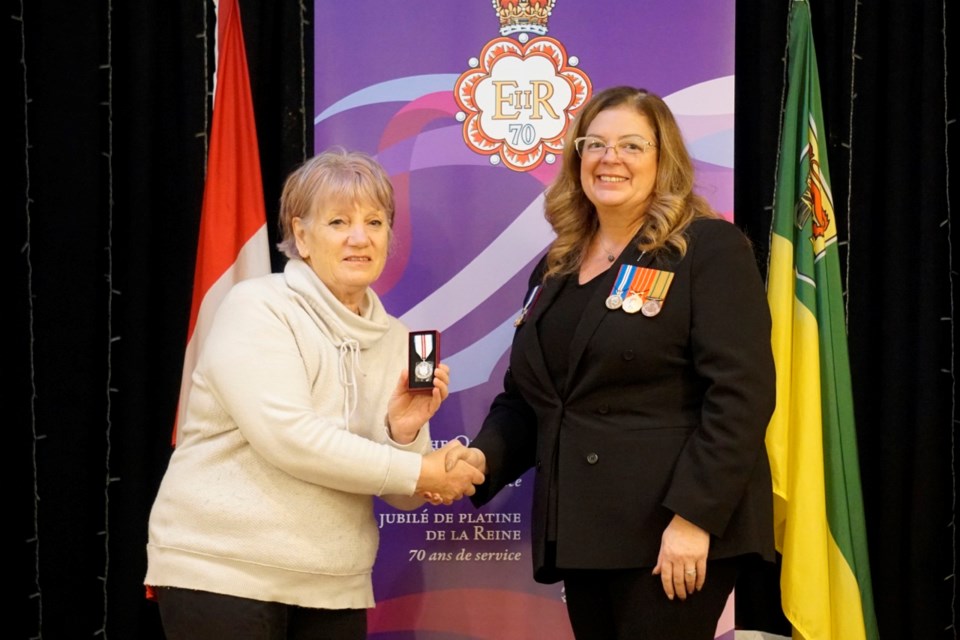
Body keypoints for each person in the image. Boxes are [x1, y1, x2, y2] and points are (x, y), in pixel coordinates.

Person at [445, 87, 777, 639]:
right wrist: (480, 459)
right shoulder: (555, 268)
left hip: (672, 529)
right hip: (585, 531)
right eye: (594, 144)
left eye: (630, 145)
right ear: (576, 159)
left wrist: (693, 519)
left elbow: (741, 397)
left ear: (662, 158)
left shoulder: (707, 250)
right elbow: (530, 401)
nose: (609, 158)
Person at [145, 148, 484, 639]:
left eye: (374, 221)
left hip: (334, 584)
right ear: (301, 235)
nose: (359, 238)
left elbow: (402, 494)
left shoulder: (397, 338)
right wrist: (421, 468)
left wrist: (403, 433)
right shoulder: (258, 307)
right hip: (224, 572)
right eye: (339, 222)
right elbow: (291, 438)